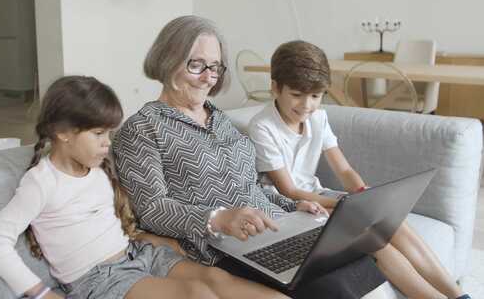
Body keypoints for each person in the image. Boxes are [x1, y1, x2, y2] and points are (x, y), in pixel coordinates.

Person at [113, 15, 387, 299]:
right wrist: (218, 218)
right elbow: (152, 209)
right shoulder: (142, 128)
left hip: (275, 229)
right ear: (168, 60)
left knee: (356, 262)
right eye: (196, 65)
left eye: (215, 67)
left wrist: (294, 205)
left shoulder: (219, 119)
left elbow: (250, 189)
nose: (208, 76)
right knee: (333, 287)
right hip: (220, 248)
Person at [0, 76, 287, 299]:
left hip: (138, 254)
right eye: (99, 133)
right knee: (197, 294)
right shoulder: (41, 182)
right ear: (62, 132)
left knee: (219, 279)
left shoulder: (97, 168)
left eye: (108, 133)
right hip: (97, 280)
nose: (107, 143)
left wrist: (145, 237)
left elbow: (105, 220)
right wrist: (41, 293)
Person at [247, 40, 472, 299]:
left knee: (393, 223)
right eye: (297, 95)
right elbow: (289, 190)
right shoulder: (263, 126)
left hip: (320, 198)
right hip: (289, 209)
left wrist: (362, 193)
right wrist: (347, 203)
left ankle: (458, 295)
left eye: (315, 96)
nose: (306, 105)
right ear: (275, 87)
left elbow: (344, 170)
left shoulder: (317, 117)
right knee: (376, 241)